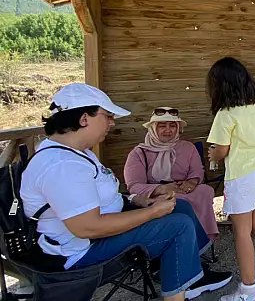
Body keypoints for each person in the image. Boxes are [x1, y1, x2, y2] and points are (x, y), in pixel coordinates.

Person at [19, 83, 232, 301]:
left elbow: (103, 195)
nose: (112, 123)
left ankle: (189, 273)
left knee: (182, 205)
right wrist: (152, 212)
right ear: (84, 119)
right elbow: (88, 227)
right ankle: (180, 290)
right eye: (107, 116)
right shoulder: (61, 165)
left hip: (100, 231)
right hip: (80, 252)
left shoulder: (78, 154)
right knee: (178, 226)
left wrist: (137, 200)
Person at [206, 57, 255, 301]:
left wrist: (212, 154)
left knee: (242, 231)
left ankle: (249, 291)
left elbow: (221, 150)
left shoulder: (225, 114)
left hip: (242, 174)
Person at [124, 107, 219, 241]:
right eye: (162, 126)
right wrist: (161, 189)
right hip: (157, 194)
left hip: (183, 189)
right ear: (152, 128)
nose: (168, 130)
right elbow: (133, 186)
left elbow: (197, 171)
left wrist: (192, 182)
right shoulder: (138, 153)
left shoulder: (188, 147)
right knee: (175, 202)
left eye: (172, 126)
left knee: (205, 190)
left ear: (178, 128)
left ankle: (200, 239)